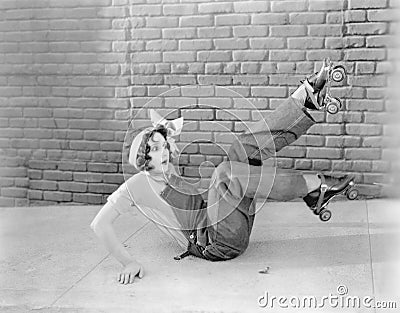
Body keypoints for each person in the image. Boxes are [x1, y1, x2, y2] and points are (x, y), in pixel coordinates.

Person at [90, 59, 356, 284]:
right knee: (225, 173)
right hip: (214, 244)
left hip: (223, 223)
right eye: (159, 149)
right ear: (144, 159)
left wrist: (162, 131)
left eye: (166, 145)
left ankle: (305, 99)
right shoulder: (138, 185)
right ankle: (315, 188)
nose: (168, 150)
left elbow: (167, 130)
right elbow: (99, 224)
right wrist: (127, 262)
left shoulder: (167, 171)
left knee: (240, 147)